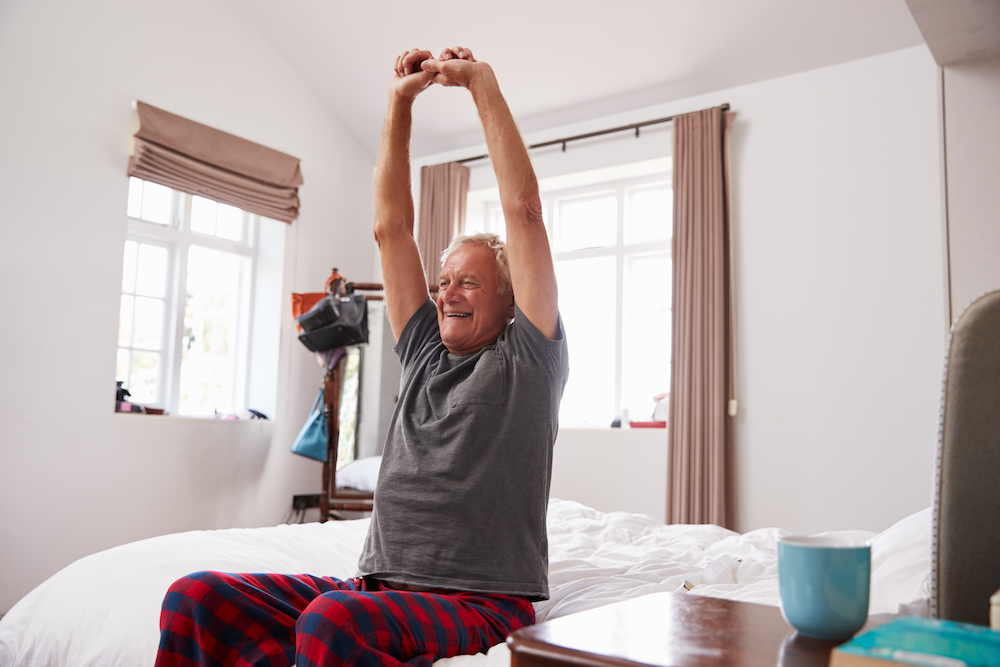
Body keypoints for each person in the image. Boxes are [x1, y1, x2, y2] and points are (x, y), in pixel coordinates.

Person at [154, 46, 568, 667]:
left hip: (479, 600)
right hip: (378, 591)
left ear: (511, 300)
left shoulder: (528, 363)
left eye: (469, 283)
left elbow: (524, 212)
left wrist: (481, 84)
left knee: (330, 623)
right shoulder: (425, 350)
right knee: (194, 598)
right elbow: (391, 230)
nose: (446, 292)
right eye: (443, 281)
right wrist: (398, 105)